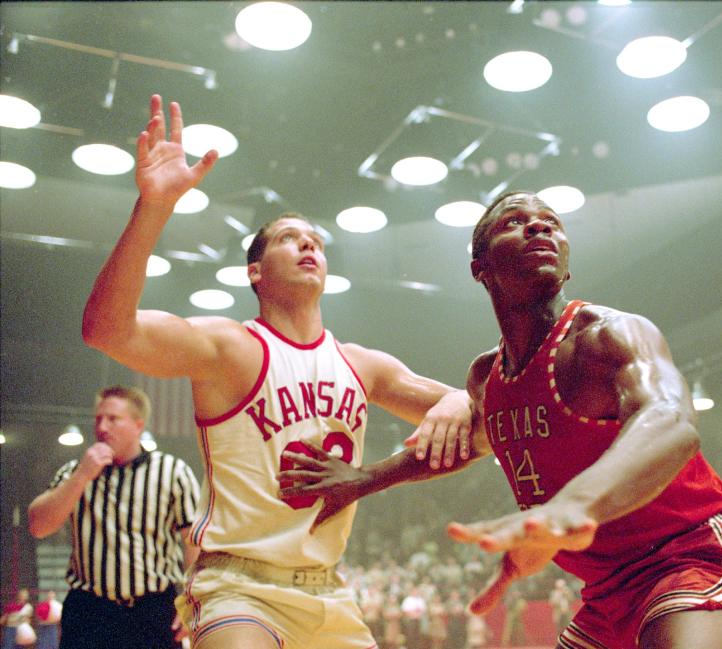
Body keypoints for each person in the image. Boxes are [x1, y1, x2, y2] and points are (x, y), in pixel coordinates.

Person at [282, 191, 722, 648]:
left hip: (692, 558)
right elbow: (464, 446)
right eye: (515, 222)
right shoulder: (486, 378)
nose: (540, 230)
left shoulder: (607, 336)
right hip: (605, 592)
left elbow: (671, 419)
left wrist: (570, 507)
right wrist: (363, 480)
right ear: (480, 266)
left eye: (551, 224)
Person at [80, 95, 472, 649]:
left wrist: (457, 399)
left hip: (329, 594)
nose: (308, 242)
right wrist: (155, 207)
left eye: (313, 238)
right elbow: (106, 330)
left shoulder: (364, 365)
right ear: (255, 271)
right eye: (289, 237)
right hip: (237, 588)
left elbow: (478, 423)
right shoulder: (229, 347)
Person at [28, 385, 199, 649]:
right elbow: (38, 526)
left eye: (113, 419)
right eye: (98, 419)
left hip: (151, 611)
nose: (102, 427)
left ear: (138, 425)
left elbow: (194, 542)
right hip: (89, 612)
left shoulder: (172, 471)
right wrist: (83, 476)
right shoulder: (74, 472)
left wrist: (193, 601)